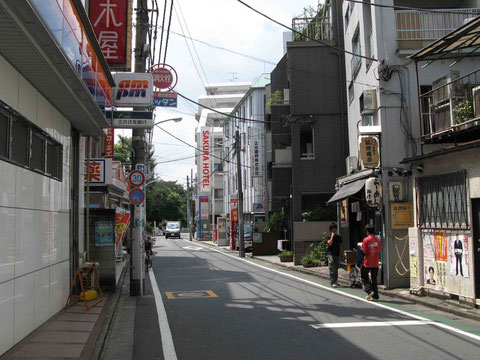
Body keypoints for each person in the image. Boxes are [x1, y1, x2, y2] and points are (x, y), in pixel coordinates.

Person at [361, 225, 382, 301]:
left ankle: (369, 291)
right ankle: (375, 296)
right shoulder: (377, 240)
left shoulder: (366, 240)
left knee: (364, 276)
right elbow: (379, 249)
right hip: (375, 262)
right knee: (374, 279)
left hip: (367, 262)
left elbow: (364, 250)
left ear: (367, 231)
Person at [326, 222, 343, 288]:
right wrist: (332, 236)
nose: (334, 230)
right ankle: (333, 282)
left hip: (337, 253)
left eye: (335, 228)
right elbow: (329, 243)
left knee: (336, 268)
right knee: (332, 267)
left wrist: (343, 253)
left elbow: (341, 245)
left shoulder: (339, 237)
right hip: (330, 253)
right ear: (330, 229)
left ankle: (335, 281)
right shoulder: (328, 236)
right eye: (332, 228)